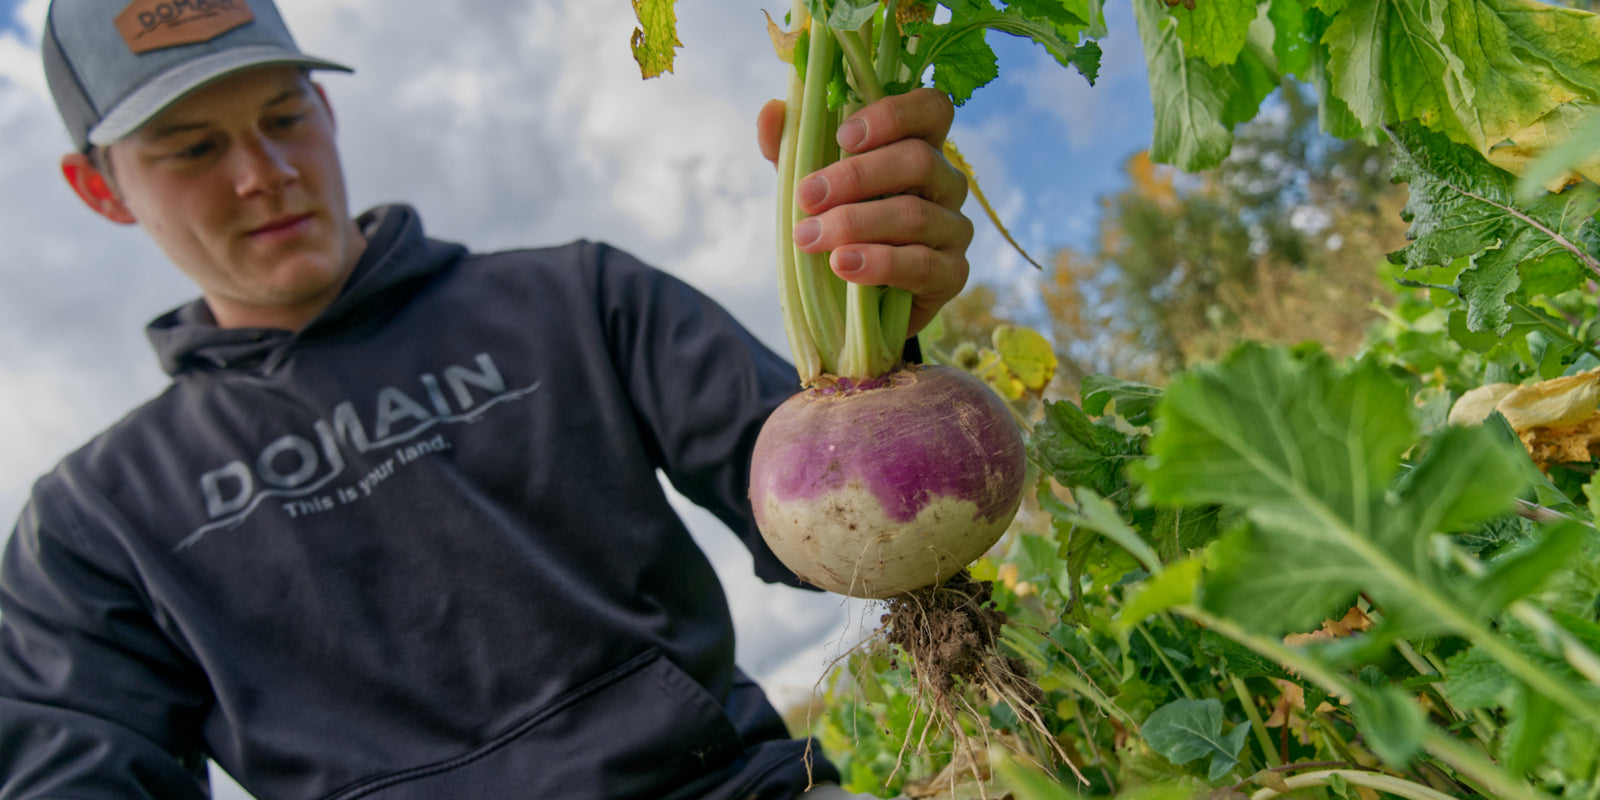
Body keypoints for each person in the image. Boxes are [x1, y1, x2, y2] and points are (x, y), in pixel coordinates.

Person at [0, 1, 974, 798]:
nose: (265, 174)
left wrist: (880, 349)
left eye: (285, 116)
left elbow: (834, 526)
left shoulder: (575, 297)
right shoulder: (92, 520)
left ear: (328, 113)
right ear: (101, 189)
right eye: (192, 148)